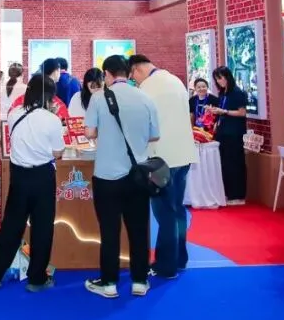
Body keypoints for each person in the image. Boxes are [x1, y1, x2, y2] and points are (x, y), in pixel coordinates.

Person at [83, 55, 159, 298]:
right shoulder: (145, 97)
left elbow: (90, 132)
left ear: (107, 74)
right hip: (137, 175)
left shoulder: (98, 98)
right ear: (128, 72)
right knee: (139, 230)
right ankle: (139, 281)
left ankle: (109, 284)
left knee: (109, 231)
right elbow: (154, 135)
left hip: (107, 176)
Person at [0, 74, 63, 292]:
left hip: (18, 177)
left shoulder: (14, 114)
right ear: (49, 96)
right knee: (42, 228)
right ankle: (37, 279)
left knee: (11, 226)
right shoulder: (52, 120)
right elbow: (58, 153)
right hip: (43, 177)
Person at [130, 54, 198, 279]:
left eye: (133, 77)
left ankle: (165, 266)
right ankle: (180, 259)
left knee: (165, 213)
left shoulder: (148, 87)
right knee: (177, 209)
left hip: (161, 160)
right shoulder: (175, 80)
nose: (134, 81)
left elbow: (143, 125)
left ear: (137, 70)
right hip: (183, 155)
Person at [207, 66, 248, 205]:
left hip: (234, 133)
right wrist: (215, 113)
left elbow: (242, 112)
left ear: (227, 77)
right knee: (225, 164)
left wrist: (224, 112)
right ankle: (228, 193)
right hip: (222, 132)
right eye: (217, 79)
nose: (219, 81)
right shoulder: (222, 93)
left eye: (221, 78)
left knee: (235, 163)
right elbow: (222, 111)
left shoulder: (237, 92)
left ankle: (237, 195)